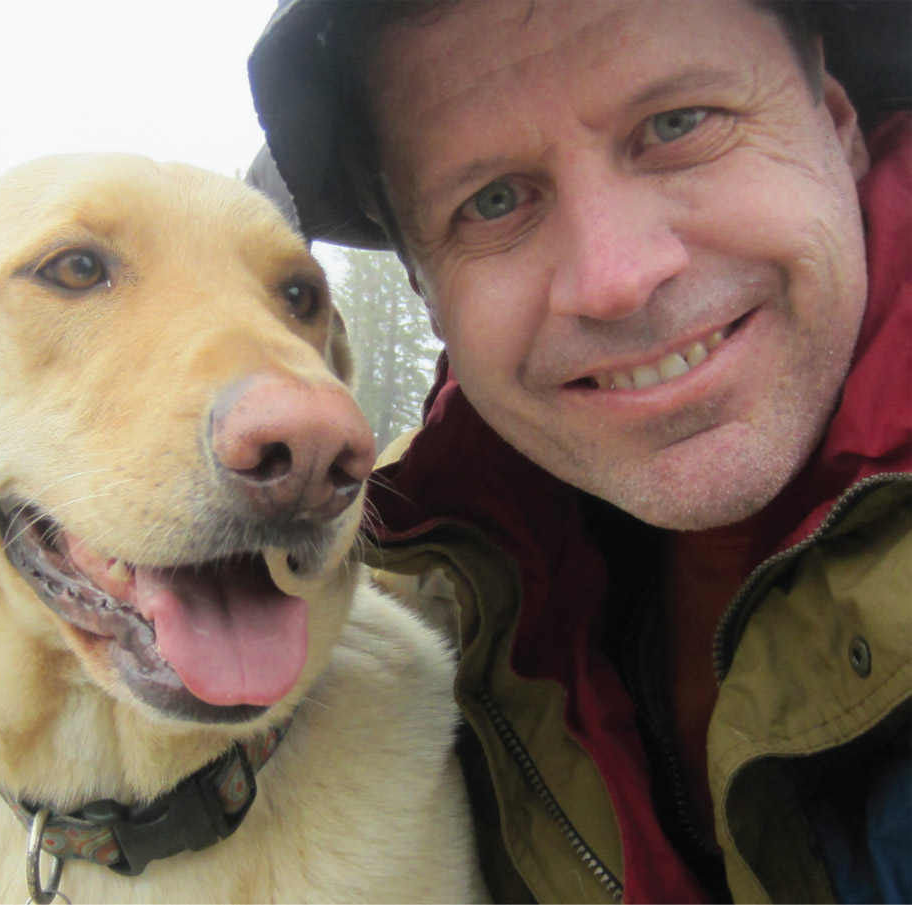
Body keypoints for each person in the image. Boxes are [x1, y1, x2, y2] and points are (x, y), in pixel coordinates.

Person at [246, 1, 910, 902]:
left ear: (836, 127)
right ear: (428, 293)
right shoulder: (426, 621)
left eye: (677, 125)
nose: (615, 277)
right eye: (492, 202)